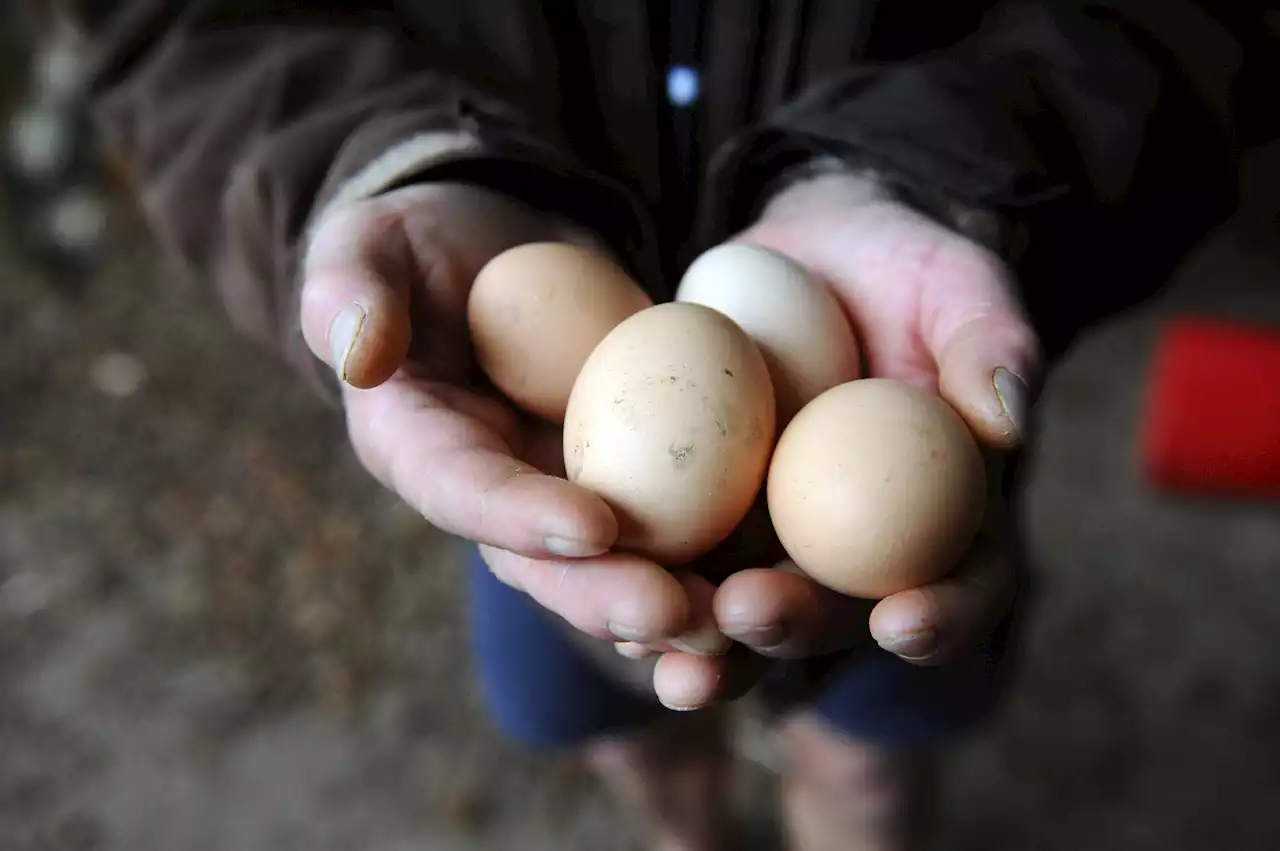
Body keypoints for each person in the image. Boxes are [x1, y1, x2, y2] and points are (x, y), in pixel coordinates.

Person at [63, 1, 1271, 848]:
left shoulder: (835, 414)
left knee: (874, 755)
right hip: (548, 471)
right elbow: (176, 23)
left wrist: (939, 165)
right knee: (612, 715)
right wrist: (378, 163)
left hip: (880, 390)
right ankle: (683, 833)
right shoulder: (589, 416)